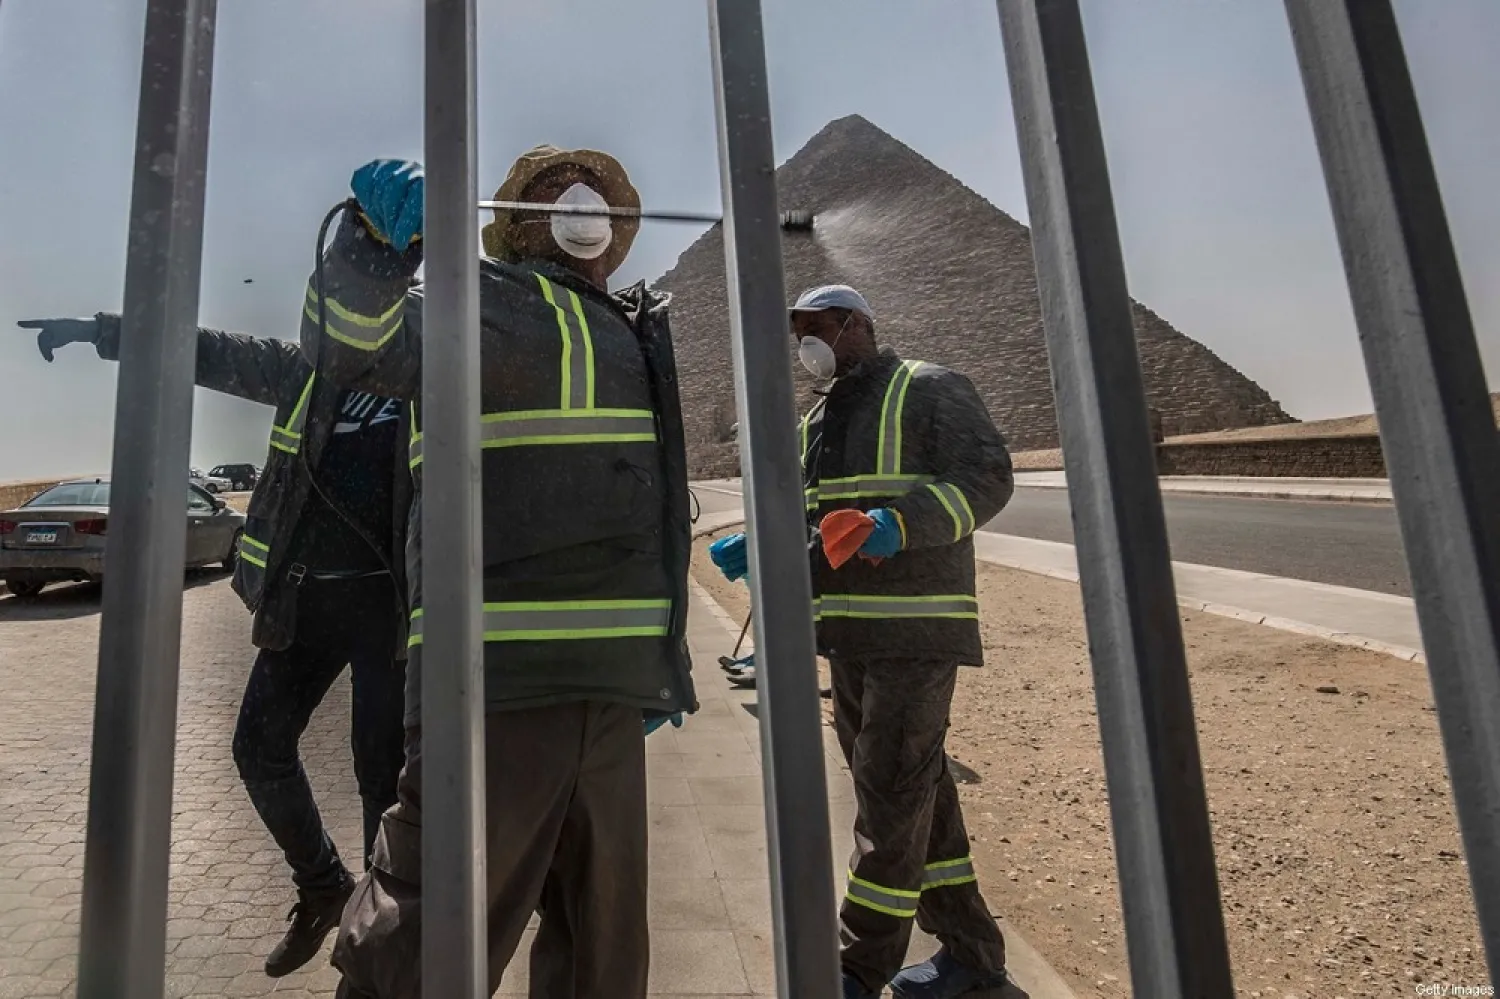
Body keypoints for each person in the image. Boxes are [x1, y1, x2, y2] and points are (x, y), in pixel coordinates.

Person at [296, 149, 696, 999]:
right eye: (557, 187)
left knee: (604, 952)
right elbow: (352, 344)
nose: (583, 198)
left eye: (599, 191)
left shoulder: (629, 327)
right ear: (518, 222)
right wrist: (369, 246)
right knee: (419, 946)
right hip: (491, 688)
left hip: (614, 695)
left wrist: (658, 662)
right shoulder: (476, 304)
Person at [18, 313, 411, 978]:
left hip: (389, 608)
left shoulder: (422, 371)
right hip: (305, 600)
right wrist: (101, 331)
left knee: (382, 778)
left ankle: (379, 956)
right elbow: (199, 347)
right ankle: (321, 887)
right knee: (257, 746)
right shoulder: (303, 369)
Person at [711, 284, 1014, 999]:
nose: (806, 344)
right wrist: (765, 548)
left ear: (856, 325)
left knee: (885, 797)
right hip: (847, 635)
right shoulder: (819, 420)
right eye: (797, 333)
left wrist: (899, 523)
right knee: (917, 798)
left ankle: (856, 967)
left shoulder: (930, 387)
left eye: (817, 327)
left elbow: (988, 478)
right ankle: (974, 958)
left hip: (916, 630)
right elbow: (822, 535)